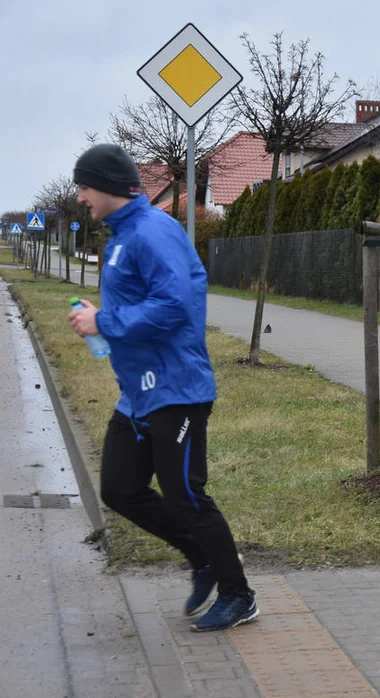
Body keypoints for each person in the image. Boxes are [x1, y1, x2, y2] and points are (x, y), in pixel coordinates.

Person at [67, 144, 258, 630]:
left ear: (107, 185)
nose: (80, 196)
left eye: (84, 186)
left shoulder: (153, 232)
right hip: (138, 394)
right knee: (119, 489)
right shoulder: (123, 235)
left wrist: (104, 321)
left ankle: (239, 595)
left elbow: (175, 306)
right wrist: (102, 320)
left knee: (186, 496)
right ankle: (202, 557)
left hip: (177, 389)